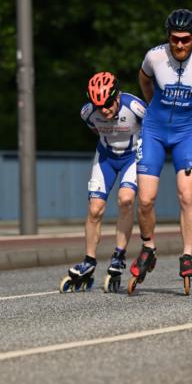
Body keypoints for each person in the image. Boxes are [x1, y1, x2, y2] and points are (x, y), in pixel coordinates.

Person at [130, 9, 192, 293]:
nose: (179, 45)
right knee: (145, 200)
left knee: (186, 193)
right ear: (167, 37)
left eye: (185, 40)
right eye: (174, 39)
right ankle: (149, 247)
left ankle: (187, 255)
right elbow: (144, 79)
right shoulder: (154, 56)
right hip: (154, 130)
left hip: (185, 132)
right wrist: (152, 107)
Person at [60, 71, 146, 292]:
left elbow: (153, 131)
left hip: (132, 157)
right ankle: (89, 261)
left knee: (126, 200)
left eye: (108, 104)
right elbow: (94, 129)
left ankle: (118, 256)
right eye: (99, 106)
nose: (105, 111)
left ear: (117, 96)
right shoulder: (88, 112)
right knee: (95, 209)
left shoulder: (135, 106)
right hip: (106, 156)